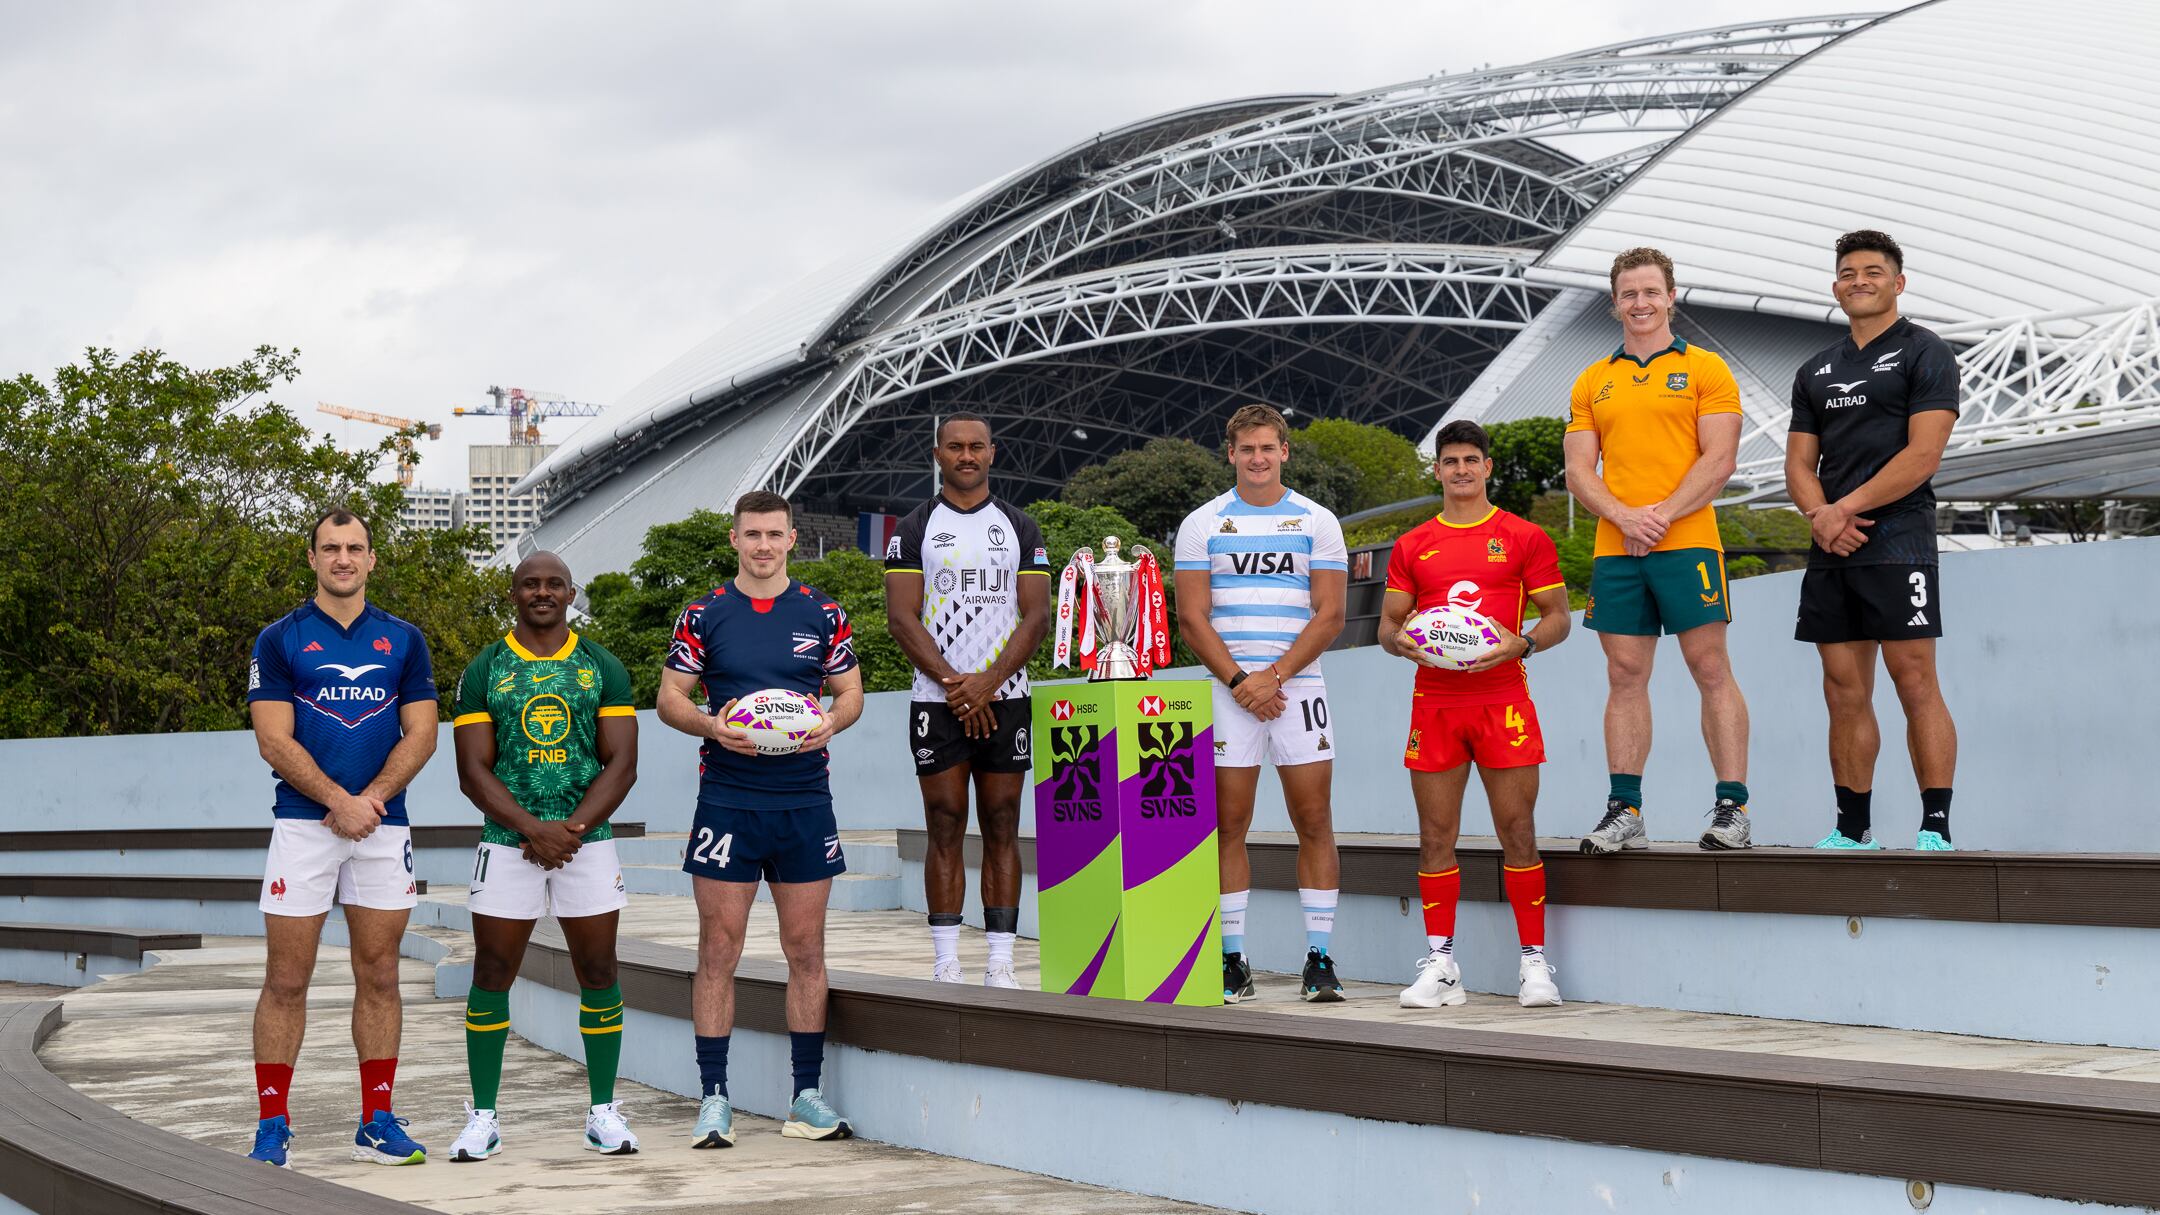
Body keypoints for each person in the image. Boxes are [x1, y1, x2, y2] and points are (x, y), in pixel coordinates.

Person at [656, 491, 865, 1150]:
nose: (765, 545)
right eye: (753, 535)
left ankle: (806, 1095)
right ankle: (714, 1097)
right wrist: (711, 725)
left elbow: (851, 689)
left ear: (792, 538)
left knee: (807, 952)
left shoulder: (822, 611)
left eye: (775, 534)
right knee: (719, 951)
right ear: (735, 539)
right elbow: (669, 698)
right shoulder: (705, 613)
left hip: (805, 800)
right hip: (728, 800)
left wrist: (832, 718)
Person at [244, 509, 437, 1168]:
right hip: (305, 824)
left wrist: (370, 801)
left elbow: (422, 733)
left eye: (355, 548)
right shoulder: (280, 638)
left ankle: (377, 1119)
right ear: (313, 557)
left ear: (372, 559)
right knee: (286, 979)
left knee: (381, 973)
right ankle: (273, 1124)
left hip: (383, 825)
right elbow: (273, 736)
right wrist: (336, 801)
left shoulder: (404, 639)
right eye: (331, 548)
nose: (343, 559)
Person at [446, 551, 641, 1161]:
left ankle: (603, 1111)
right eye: (530, 584)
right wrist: (534, 829)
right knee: (491, 972)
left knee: (600, 971)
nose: (542, 592)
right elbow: (472, 771)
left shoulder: (601, 665)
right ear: (513, 594)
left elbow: (623, 764)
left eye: (553, 584)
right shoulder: (484, 669)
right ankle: (483, 1116)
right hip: (507, 844)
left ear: (570, 593)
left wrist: (571, 830)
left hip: (587, 844)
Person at [1564, 247, 1754, 854]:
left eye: (1650, 292)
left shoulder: (1707, 370)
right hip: (1616, 549)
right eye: (1628, 294)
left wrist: (1661, 517)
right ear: (1614, 300)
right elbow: (1578, 470)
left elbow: (1719, 460)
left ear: (1671, 296)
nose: (1640, 303)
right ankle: (1627, 810)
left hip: (1688, 541)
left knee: (1710, 668)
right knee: (1624, 674)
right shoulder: (1593, 379)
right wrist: (1623, 517)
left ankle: (1733, 809)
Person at [1379, 421, 1572, 1008]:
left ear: (1487, 467)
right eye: (1450, 461)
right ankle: (1442, 966)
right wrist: (1401, 643)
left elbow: (1559, 616)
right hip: (1435, 702)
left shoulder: (1523, 537)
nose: (1460, 470)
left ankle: (1534, 964)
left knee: (1517, 829)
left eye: (1471, 460)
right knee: (1436, 835)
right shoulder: (1413, 544)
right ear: (1436, 470)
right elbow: (1389, 626)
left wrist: (1526, 643)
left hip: (1502, 699)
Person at [1785, 229, 1961, 851]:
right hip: (1832, 546)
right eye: (1849, 273)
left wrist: (1845, 509)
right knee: (1842, 688)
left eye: (1873, 271)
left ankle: (1934, 824)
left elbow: (1923, 455)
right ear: (1835, 287)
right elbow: (1799, 465)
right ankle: (1851, 828)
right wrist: (1821, 517)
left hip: (1899, 539)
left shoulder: (1926, 352)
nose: (1859, 281)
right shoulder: (1816, 369)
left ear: (1898, 282)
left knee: (1913, 680)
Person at [1174, 404, 1348, 1004]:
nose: (1257, 458)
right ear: (1231, 454)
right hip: (1230, 691)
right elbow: (1191, 618)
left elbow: (1330, 615)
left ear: (1284, 452)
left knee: (1314, 821)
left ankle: (1320, 959)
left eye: (1267, 448)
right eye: (1246, 449)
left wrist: (1273, 678)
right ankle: (1232, 961)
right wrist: (1243, 681)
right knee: (1229, 824)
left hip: (1296, 687)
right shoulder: (1202, 523)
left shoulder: (1317, 520)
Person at [884, 413, 1052, 987]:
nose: (966, 455)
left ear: (992, 453)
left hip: (1006, 697)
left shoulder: (1020, 527)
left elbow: (1036, 616)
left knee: (1003, 822)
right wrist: (959, 684)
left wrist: (988, 682)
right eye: (954, 446)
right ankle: (947, 960)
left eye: (975, 446)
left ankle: (1001, 962)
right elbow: (901, 618)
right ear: (938, 454)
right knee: (945, 822)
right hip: (937, 700)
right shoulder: (912, 527)